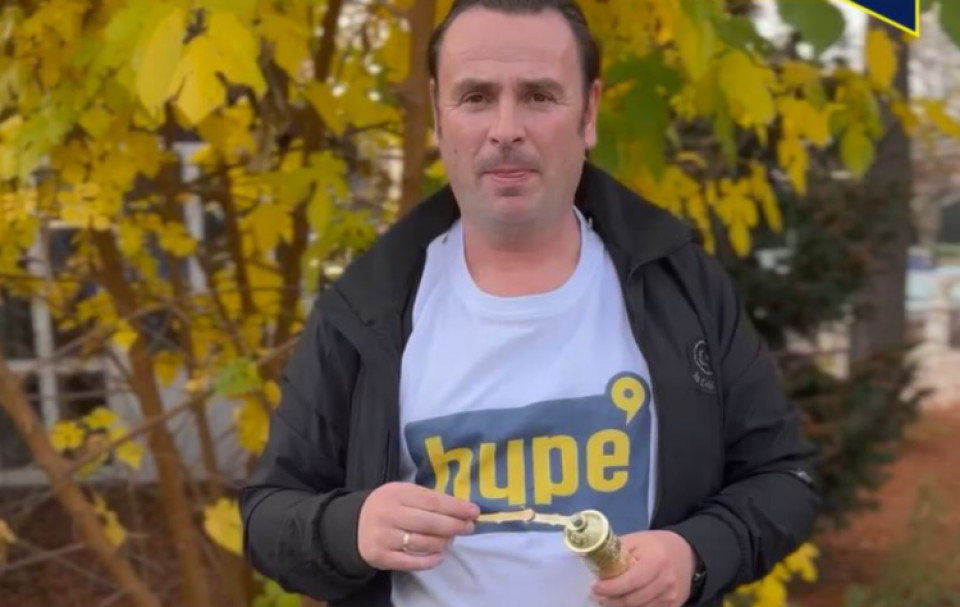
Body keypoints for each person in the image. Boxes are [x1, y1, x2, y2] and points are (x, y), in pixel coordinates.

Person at [239, 1, 820, 606]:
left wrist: (696, 553)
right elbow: (268, 516)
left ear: (589, 112)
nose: (506, 129)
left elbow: (784, 478)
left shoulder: (678, 285)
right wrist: (351, 528)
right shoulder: (365, 309)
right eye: (476, 97)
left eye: (539, 96)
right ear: (438, 114)